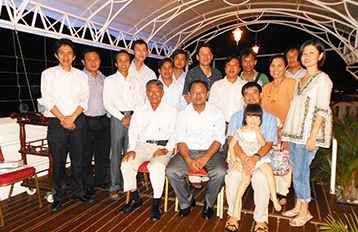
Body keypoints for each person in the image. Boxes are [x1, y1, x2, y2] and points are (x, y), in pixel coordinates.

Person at [281, 39, 333, 227]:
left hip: (308, 136)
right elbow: (295, 108)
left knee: (302, 172)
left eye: (312, 53)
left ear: (320, 56)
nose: (307, 56)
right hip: (294, 134)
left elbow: (322, 109)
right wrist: (286, 134)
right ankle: (297, 205)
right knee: (297, 171)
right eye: (305, 53)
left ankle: (305, 212)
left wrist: (313, 136)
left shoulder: (323, 79)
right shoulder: (300, 80)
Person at [39, 38, 92, 212]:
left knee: (79, 159)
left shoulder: (81, 75)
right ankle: (59, 195)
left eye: (69, 52)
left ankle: (78, 192)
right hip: (57, 121)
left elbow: (85, 99)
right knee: (59, 161)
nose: (65, 56)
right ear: (56, 55)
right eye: (62, 52)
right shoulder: (48, 74)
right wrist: (64, 119)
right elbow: (47, 99)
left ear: (74, 56)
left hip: (78, 120)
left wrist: (72, 118)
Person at [166, 80, 226, 220]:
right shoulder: (182, 114)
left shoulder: (217, 113)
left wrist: (205, 158)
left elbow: (219, 139)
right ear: (189, 94)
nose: (198, 95)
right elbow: (180, 139)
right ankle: (187, 201)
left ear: (208, 94)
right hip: (188, 150)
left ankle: (209, 204)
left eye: (202, 92)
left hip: (211, 151)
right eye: (194, 92)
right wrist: (188, 159)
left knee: (220, 172)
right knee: (171, 171)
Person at [119, 79, 177, 221]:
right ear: (146, 93)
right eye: (150, 91)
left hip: (161, 148)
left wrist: (166, 149)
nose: (154, 94)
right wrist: (131, 149)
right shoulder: (140, 109)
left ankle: (156, 203)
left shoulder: (171, 110)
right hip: (142, 146)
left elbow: (176, 133)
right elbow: (133, 131)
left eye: (157, 90)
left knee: (156, 166)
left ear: (162, 93)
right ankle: (135, 198)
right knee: (126, 164)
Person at [225, 82, 278, 232]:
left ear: (261, 95)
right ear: (243, 98)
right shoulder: (236, 117)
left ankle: (261, 219)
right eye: (247, 94)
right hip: (240, 158)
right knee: (233, 176)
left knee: (261, 178)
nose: (251, 97)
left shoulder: (270, 118)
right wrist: (243, 158)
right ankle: (233, 215)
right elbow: (232, 142)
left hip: (260, 158)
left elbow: (268, 144)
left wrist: (255, 158)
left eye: (254, 93)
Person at [103, 50, 144, 200]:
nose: (123, 63)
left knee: (131, 151)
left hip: (133, 118)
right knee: (115, 153)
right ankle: (114, 186)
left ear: (130, 62)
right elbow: (107, 103)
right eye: (120, 60)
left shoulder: (135, 81)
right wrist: (122, 118)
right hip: (117, 118)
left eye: (126, 60)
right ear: (116, 63)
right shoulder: (110, 80)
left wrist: (132, 118)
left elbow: (140, 102)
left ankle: (130, 184)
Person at [182, 43, 223, 188]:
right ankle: (195, 175)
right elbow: (188, 95)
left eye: (208, 54)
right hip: (197, 111)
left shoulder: (217, 73)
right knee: (196, 138)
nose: (205, 56)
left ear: (211, 57)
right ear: (198, 57)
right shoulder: (192, 73)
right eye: (202, 54)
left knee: (210, 139)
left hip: (214, 114)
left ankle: (207, 168)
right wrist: (197, 109)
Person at [261, 54, 297, 205]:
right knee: (271, 159)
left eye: (279, 65)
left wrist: (285, 130)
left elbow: (296, 110)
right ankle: (271, 189)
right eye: (273, 66)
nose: (276, 69)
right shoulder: (266, 87)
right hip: (269, 131)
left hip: (286, 131)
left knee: (284, 159)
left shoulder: (293, 84)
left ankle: (282, 192)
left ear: (285, 67)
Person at [81, 48, 111, 199]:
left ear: (100, 61)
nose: (93, 62)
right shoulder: (79, 77)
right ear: (83, 62)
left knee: (103, 154)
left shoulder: (104, 78)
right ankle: (87, 186)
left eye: (96, 59)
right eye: (89, 59)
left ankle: (99, 180)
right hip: (87, 121)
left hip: (104, 121)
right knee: (86, 156)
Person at [209, 55, 246, 164]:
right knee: (220, 156)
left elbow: (246, 108)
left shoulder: (244, 86)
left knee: (236, 157)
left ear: (239, 69)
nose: (232, 67)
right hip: (221, 126)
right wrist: (222, 123)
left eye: (235, 65)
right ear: (225, 68)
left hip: (239, 127)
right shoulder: (217, 85)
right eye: (229, 65)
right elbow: (212, 106)